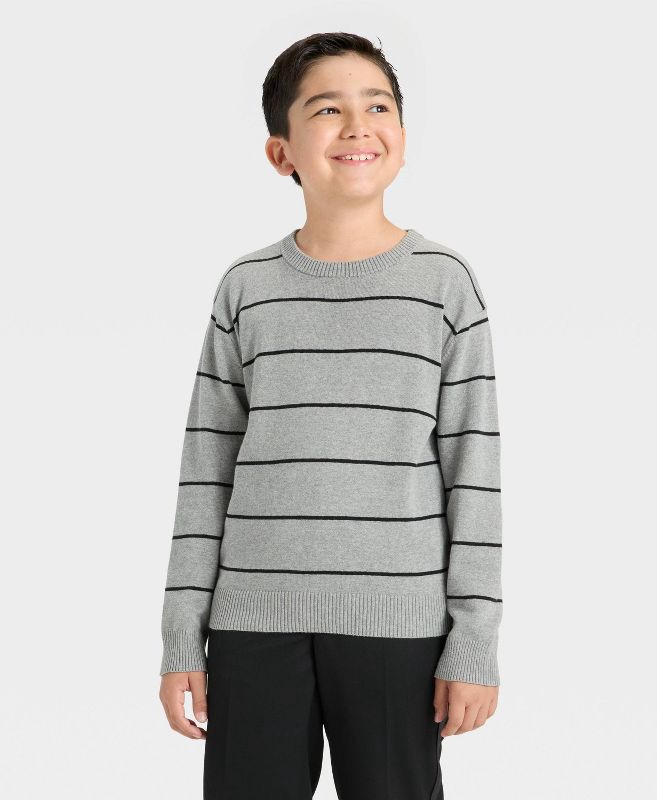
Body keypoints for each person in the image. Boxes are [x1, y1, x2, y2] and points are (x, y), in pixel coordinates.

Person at [158, 31, 504, 800]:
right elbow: (205, 471)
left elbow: (475, 473)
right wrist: (182, 634)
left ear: (402, 137)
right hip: (251, 624)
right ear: (281, 152)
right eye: (326, 109)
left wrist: (474, 640)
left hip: (399, 627)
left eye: (377, 106)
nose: (357, 126)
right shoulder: (245, 288)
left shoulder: (445, 285)